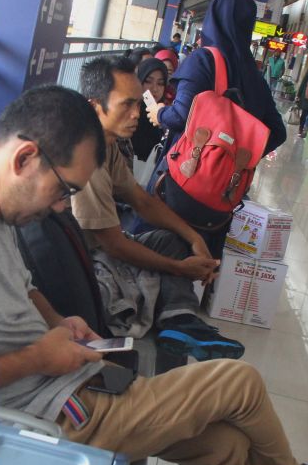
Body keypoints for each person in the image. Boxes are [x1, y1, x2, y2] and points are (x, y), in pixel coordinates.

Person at [0, 85, 308, 465]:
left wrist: (59, 321)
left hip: (67, 381)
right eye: (65, 191)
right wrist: (36, 356)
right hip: (53, 414)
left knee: (223, 448)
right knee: (239, 383)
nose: (62, 207)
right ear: (24, 158)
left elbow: (24, 287)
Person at [75, 56, 244, 358]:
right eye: (126, 105)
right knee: (160, 261)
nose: (136, 114)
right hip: (89, 264)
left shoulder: (108, 143)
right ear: (93, 105)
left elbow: (140, 199)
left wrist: (194, 239)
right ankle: (180, 319)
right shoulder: (84, 158)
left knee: (173, 239)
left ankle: (180, 323)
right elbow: (112, 244)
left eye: (138, 104)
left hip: (106, 250)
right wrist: (179, 268)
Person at [148, 0, 285, 162]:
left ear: (213, 18)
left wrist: (159, 113)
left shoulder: (203, 60)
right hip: (229, 183)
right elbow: (278, 132)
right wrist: (236, 159)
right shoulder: (255, 75)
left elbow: (180, 116)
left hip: (189, 172)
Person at [131, 57, 167, 162]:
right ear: (139, 81)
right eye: (148, 81)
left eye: (160, 83)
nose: (154, 89)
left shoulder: (162, 113)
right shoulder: (131, 114)